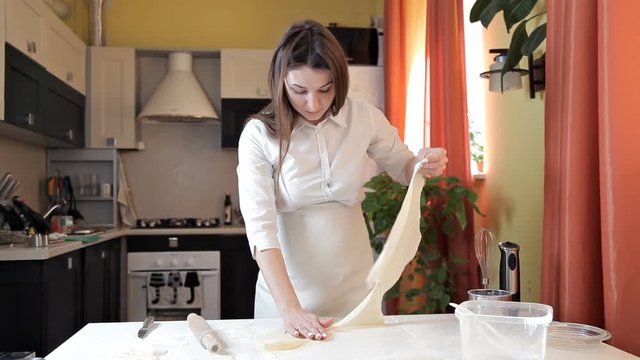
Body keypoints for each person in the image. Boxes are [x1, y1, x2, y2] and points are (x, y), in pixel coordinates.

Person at [237, 19, 447, 341]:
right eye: (299, 91)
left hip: (355, 293)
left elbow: (404, 168)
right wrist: (290, 309)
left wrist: (422, 163)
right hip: (287, 299)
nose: (313, 103)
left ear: (340, 80)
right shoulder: (258, 135)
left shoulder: (364, 118)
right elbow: (261, 229)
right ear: (280, 82)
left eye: (326, 89)